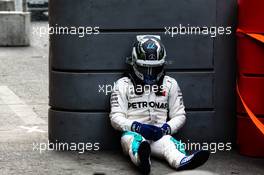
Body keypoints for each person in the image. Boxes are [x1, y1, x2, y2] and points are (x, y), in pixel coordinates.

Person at [109, 35, 209, 174]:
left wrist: (165, 129)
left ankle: (182, 161)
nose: (149, 74)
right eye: (145, 68)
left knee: (169, 143)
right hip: (133, 133)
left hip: (159, 134)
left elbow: (180, 115)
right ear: (134, 62)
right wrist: (138, 127)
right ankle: (142, 161)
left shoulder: (170, 84)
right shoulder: (122, 84)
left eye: (154, 68)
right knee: (136, 142)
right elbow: (115, 118)